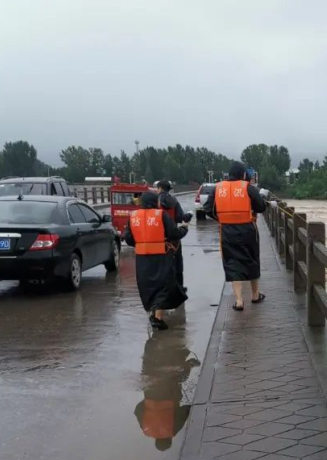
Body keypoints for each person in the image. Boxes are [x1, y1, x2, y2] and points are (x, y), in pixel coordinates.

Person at [204, 161, 269, 311]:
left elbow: (207, 208)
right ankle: (255, 295)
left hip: (227, 230)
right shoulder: (247, 187)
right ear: (244, 174)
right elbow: (260, 207)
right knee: (252, 259)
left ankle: (239, 300)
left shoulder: (218, 188)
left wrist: (221, 218)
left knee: (232, 262)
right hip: (248, 229)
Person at [133, 308, 199, 451]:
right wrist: (148, 402)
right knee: (167, 372)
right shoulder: (146, 427)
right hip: (150, 391)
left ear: (169, 439)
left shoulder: (172, 430)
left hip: (170, 393)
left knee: (178, 377)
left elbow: (186, 411)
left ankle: (188, 364)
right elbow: (137, 410)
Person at [123, 191, 189, 330]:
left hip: (142, 258)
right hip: (161, 256)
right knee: (163, 284)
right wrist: (184, 229)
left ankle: (154, 313)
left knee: (148, 286)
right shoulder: (160, 215)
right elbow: (173, 234)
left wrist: (142, 243)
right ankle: (157, 317)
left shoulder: (133, 216)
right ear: (156, 202)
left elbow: (128, 238)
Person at [157, 180, 189, 290]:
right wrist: (188, 216)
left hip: (158, 237)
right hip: (173, 237)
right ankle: (179, 287)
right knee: (178, 263)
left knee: (160, 264)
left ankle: (164, 287)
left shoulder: (155, 201)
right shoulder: (174, 201)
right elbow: (180, 217)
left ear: (160, 188)